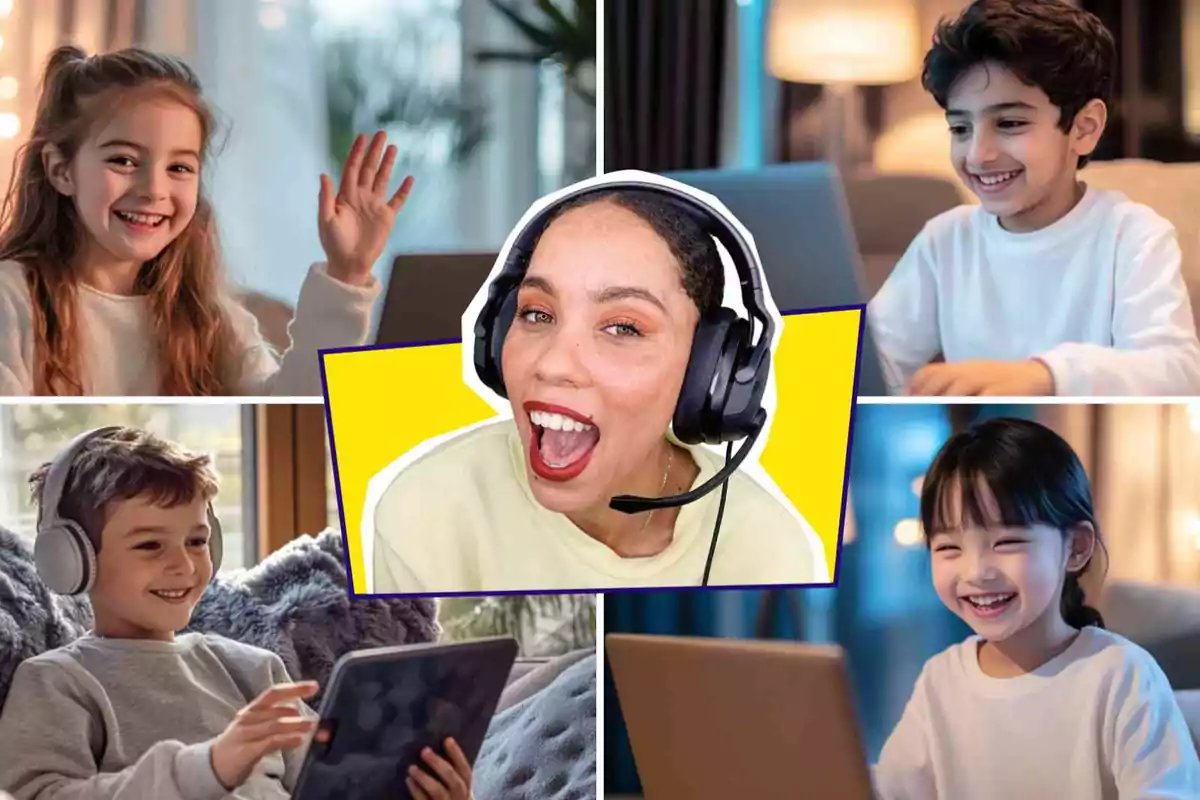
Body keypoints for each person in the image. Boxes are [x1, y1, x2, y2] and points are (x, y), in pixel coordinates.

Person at [366, 183, 826, 593]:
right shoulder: (425, 511)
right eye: (537, 314)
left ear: (711, 371)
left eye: (623, 327)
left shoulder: (765, 549)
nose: (554, 364)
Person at [0, 427, 473, 800]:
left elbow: (336, 786)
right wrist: (207, 768)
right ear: (70, 559)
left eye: (197, 541)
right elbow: (43, 795)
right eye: (149, 545)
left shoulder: (252, 668)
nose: (184, 565)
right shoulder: (57, 681)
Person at [0, 46, 412, 396]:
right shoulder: (12, 299)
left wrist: (346, 273)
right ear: (61, 170)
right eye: (123, 160)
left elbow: (293, 410)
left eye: (179, 168)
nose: (154, 190)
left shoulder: (210, 315)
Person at [868, 0, 1200, 397]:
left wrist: (1045, 375)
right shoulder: (945, 240)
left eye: (1009, 123)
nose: (977, 154)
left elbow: (1175, 370)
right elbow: (874, 361)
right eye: (960, 128)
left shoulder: (1131, 235)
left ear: (1084, 128)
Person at [871, 418, 1200, 799]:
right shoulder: (940, 680)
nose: (976, 572)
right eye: (949, 548)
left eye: (1007, 542)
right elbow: (888, 790)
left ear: (1075, 547)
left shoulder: (1121, 675)